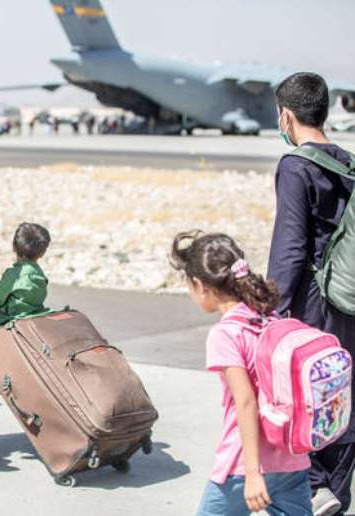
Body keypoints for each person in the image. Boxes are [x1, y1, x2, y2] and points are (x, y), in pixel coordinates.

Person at [170, 231, 312, 515]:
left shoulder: (226, 334)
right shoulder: (269, 319)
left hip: (243, 465)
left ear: (200, 285)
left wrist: (252, 473)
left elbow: (245, 402)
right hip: (292, 459)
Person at [267, 72, 355, 516]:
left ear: (286, 114)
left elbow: (290, 245)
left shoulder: (296, 166)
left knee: (306, 397)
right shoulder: (348, 163)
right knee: (342, 397)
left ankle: (317, 492)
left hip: (313, 305)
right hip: (349, 303)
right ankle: (337, 490)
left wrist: (273, 312)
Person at [0, 223, 50, 359]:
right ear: (42, 253)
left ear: (14, 247)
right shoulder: (39, 273)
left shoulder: (14, 275)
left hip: (11, 318)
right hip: (34, 314)